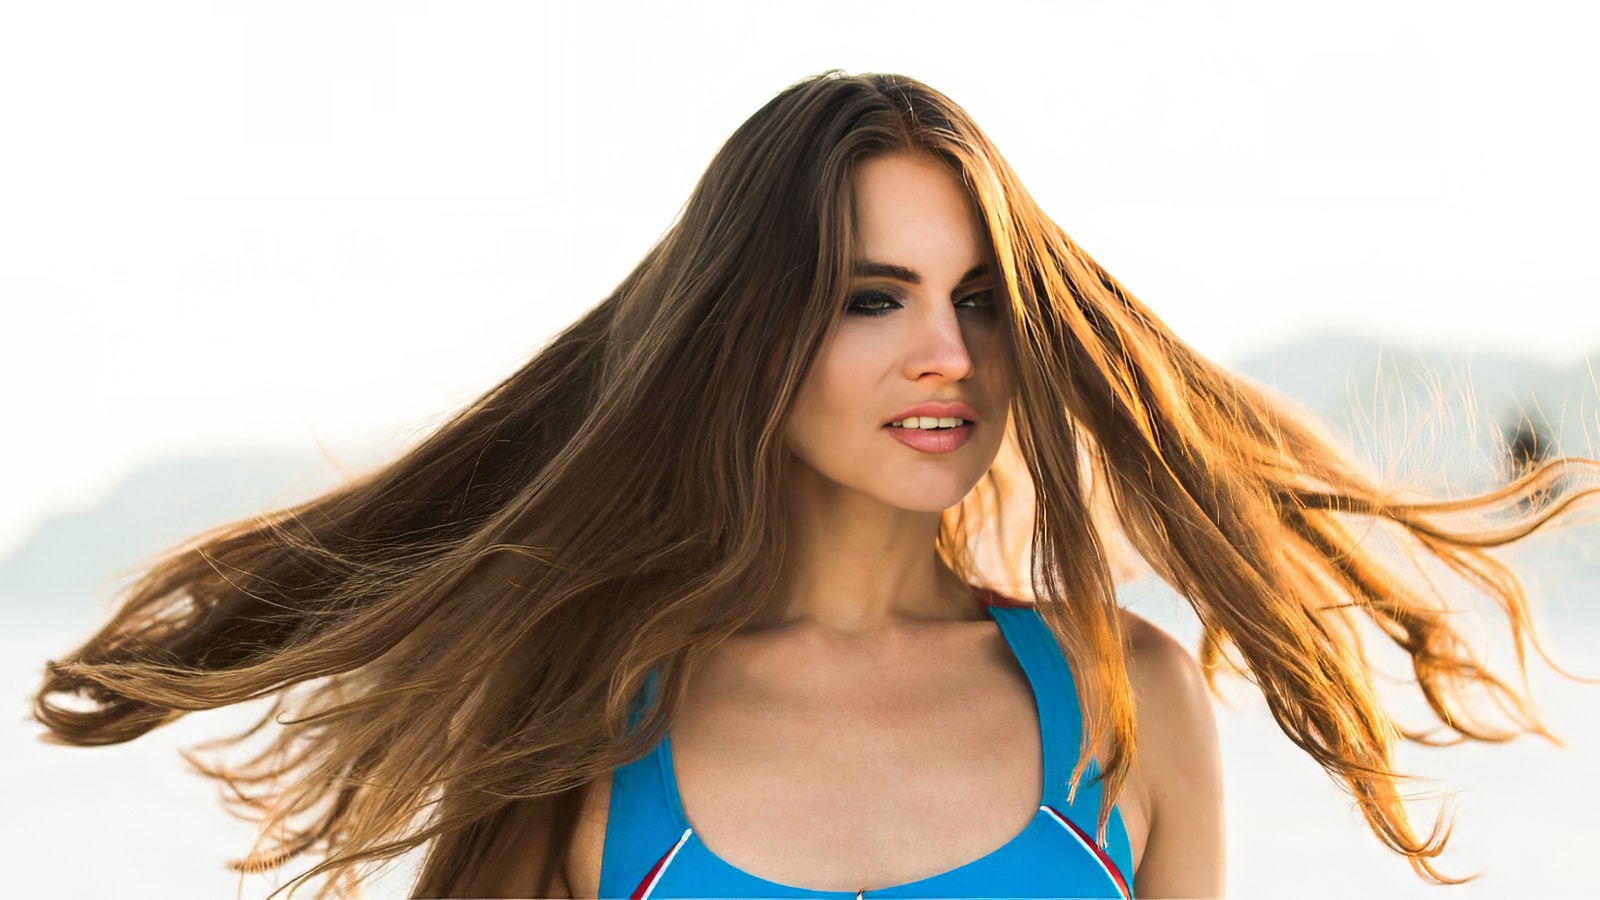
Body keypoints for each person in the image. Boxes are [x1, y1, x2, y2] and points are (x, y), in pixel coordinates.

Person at [32, 71, 1592, 899]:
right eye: (871, 297)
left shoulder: (1130, 700)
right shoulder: (590, 714)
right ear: (751, 333)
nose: (947, 354)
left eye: (981, 298)